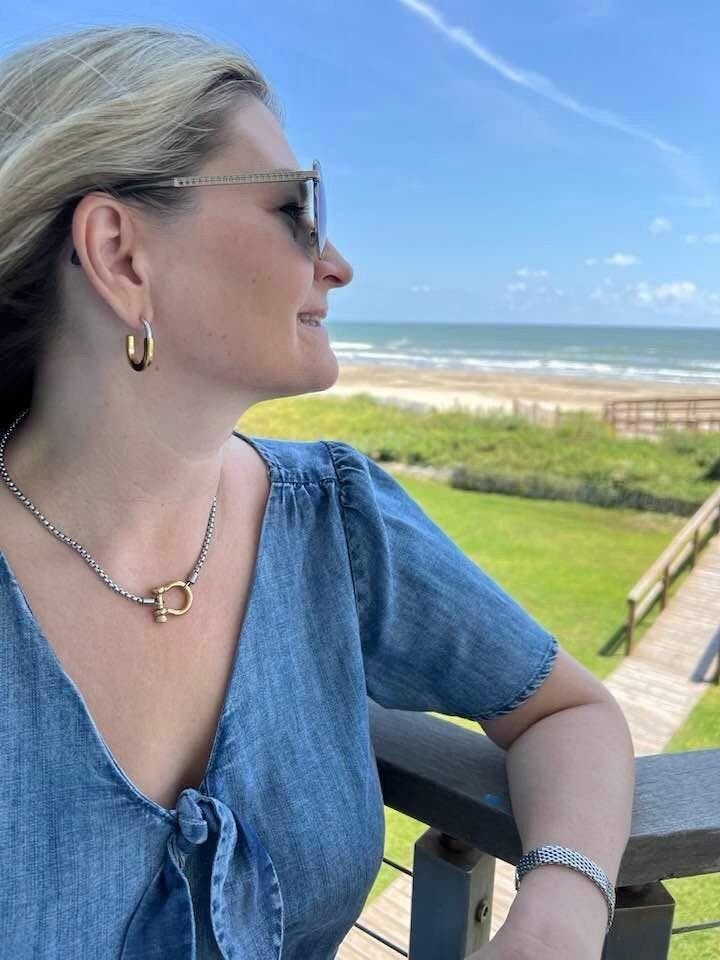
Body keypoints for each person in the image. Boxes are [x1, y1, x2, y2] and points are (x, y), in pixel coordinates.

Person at [0, 23, 635, 960]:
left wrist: (558, 917)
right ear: (121, 253)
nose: (336, 263)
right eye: (297, 209)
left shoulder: (333, 521)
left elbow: (567, 711)